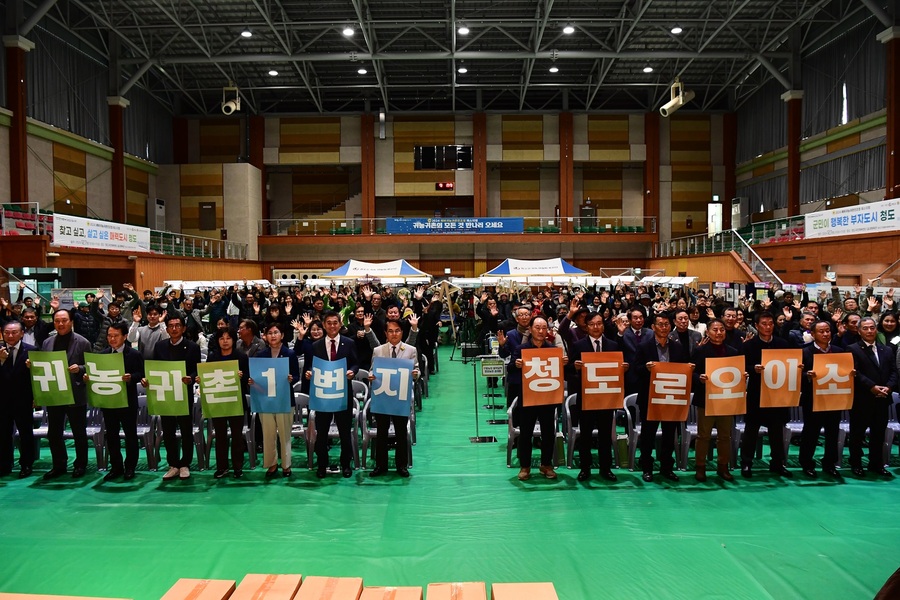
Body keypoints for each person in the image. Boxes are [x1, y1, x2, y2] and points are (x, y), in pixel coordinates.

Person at [634, 312, 690, 482]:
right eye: (660, 324)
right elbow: (635, 370)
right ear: (653, 327)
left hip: (672, 396)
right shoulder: (644, 346)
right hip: (650, 396)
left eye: (666, 324)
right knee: (648, 434)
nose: (664, 327)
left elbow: (684, 368)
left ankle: (667, 467)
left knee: (669, 434)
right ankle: (647, 468)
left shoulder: (678, 347)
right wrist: (646, 368)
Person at [145, 312, 201, 481]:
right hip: (165, 394)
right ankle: (173, 464)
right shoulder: (160, 346)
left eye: (178, 326)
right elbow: (155, 368)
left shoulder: (192, 347)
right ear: (167, 329)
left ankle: (185, 464)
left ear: (183, 328)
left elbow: (196, 369)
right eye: (171, 326)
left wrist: (190, 378)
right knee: (168, 430)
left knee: (185, 430)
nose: (174, 329)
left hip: (183, 393)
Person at [39, 309, 93, 479]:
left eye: (64, 320)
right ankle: (59, 465)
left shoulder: (83, 342)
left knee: (79, 432)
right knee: (54, 433)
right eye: (57, 321)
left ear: (71, 322)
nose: (60, 324)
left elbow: (90, 365)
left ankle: (80, 465)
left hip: (76, 393)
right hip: (55, 393)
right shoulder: (47, 342)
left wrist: (80, 368)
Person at [740, 311, 794, 478]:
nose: (768, 327)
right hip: (756, 394)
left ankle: (778, 463)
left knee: (777, 432)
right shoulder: (748, 346)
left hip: (777, 395)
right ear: (756, 326)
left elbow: (790, 364)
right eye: (764, 324)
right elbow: (741, 367)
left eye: (770, 323)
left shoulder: (783, 344)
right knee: (751, 431)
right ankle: (747, 463)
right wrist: (752, 369)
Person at [512, 316, 566, 481]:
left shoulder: (552, 350)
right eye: (537, 327)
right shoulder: (521, 349)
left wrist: (564, 363)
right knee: (526, 434)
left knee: (549, 433)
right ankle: (525, 466)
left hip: (547, 398)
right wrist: (516, 364)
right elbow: (510, 369)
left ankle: (546, 465)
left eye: (544, 328)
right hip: (528, 398)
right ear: (530, 329)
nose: (541, 331)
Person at [305, 311, 358, 478]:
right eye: (329, 323)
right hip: (323, 394)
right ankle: (322, 464)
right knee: (322, 432)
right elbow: (309, 367)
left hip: (343, 393)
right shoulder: (316, 346)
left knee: (344, 431)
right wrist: (308, 374)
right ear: (324, 325)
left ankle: (346, 464)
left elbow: (356, 363)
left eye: (335, 322)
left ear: (340, 324)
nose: (332, 326)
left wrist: (352, 372)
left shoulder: (349, 343)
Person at [570, 312, 620, 482]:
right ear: (587, 326)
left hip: (607, 397)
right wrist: (575, 368)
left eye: (599, 323)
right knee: (585, 435)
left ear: (603, 326)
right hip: (586, 397)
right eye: (592, 324)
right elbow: (568, 371)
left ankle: (606, 468)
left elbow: (618, 370)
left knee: (606, 435)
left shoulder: (613, 346)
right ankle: (585, 468)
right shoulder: (578, 345)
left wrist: (623, 368)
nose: (596, 327)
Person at [90, 322, 144, 482]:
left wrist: (131, 378)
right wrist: (89, 377)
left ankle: (130, 467)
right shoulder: (104, 354)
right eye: (109, 336)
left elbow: (141, 373)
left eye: (116, 336)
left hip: (127, 401)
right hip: (109, 401)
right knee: (111, 435)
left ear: (125, 336)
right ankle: (116, 466)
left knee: (130, 435)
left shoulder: (134, 354)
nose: (112, 339)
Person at [848, 317, 897, 477]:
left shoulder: (887, 350)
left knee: (878, 434)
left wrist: (888, 387)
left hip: (883, 399)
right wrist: (872, 387)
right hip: (862, 398)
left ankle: (876, 464)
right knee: (857, 434)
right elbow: (855, 373)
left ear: (876, 330)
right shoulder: (853, 349)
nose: (869, 331)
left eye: (872, 328)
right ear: (859, 331)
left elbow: (894, 371)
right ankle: (856, 464)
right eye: (866, 328)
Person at [691, 319, 739, 482]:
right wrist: (700, 378)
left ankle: (723, 467)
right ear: (708, 332)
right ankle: (700, 467)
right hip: (706, 399)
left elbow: (736, 373)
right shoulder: (699, 351)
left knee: (725, 436)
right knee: (703, 435)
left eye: (722, 330)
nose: (719, 333)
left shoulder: (733, 352)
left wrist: (742, 376)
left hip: (726, 398)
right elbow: (691, 373)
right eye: (715, 330)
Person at [368, 320, 418, 477]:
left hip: (400, 398)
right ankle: (380, 465)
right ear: (385, 333)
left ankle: (401, 466)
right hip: (383, 397)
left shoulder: (410, 350)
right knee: (381, 432)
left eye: (397, 331)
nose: (394, 334)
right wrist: (370, 376)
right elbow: (371, 370)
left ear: (402, 332)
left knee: (401, 432)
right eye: (390, 331)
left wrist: (416, 374)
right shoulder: (378, 350)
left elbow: (416, 369)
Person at [799, 320, 847, 478]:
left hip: (834, 397)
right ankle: (807, 463)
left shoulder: (839, 351)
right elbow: (796, 375)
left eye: (828, 331)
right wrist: (807, 376)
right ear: (812, 334)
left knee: (832, 432)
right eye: (821, 331)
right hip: (812, 399)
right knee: (811, 432)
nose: (826, 334)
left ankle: (830, 463)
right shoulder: (804, 352)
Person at [255, 322, 300, 478]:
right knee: (268, 434)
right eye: (270, 333)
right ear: (265, 336)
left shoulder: (290, 354)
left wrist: (290, 379)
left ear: (282, 335)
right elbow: (258, 378)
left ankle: (286, 465)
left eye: (276, 332)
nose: (273, 335)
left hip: (284, 399)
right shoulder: (260, 356)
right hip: (266, 400)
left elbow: (296, 376)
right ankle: (271, 464)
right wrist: (252, 381)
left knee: (285, 434)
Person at [206, 327, 249, 479]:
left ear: (233, 340)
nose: (225, 341)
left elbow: (248, 381)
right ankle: (222, 467)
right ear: (217, 341)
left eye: (228, 338)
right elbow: (207, 377)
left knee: (237, 436)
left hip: (236, 401)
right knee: (221, 436)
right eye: (222, 338)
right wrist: (201, 379)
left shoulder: (241, 357)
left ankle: (238, 467)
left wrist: (242, 377)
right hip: (218, 401)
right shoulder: (212, 357)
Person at [0, 320, 36, 478]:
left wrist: (32, 368)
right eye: (7, 332)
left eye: (14, 332)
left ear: (22, 334)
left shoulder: (32, 351)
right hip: (2, 401)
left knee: (25, 433)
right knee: (3, 433)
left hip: (23, 399)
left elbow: (38, 377)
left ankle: (26, 464)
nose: (10, 335)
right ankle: (4, 464)